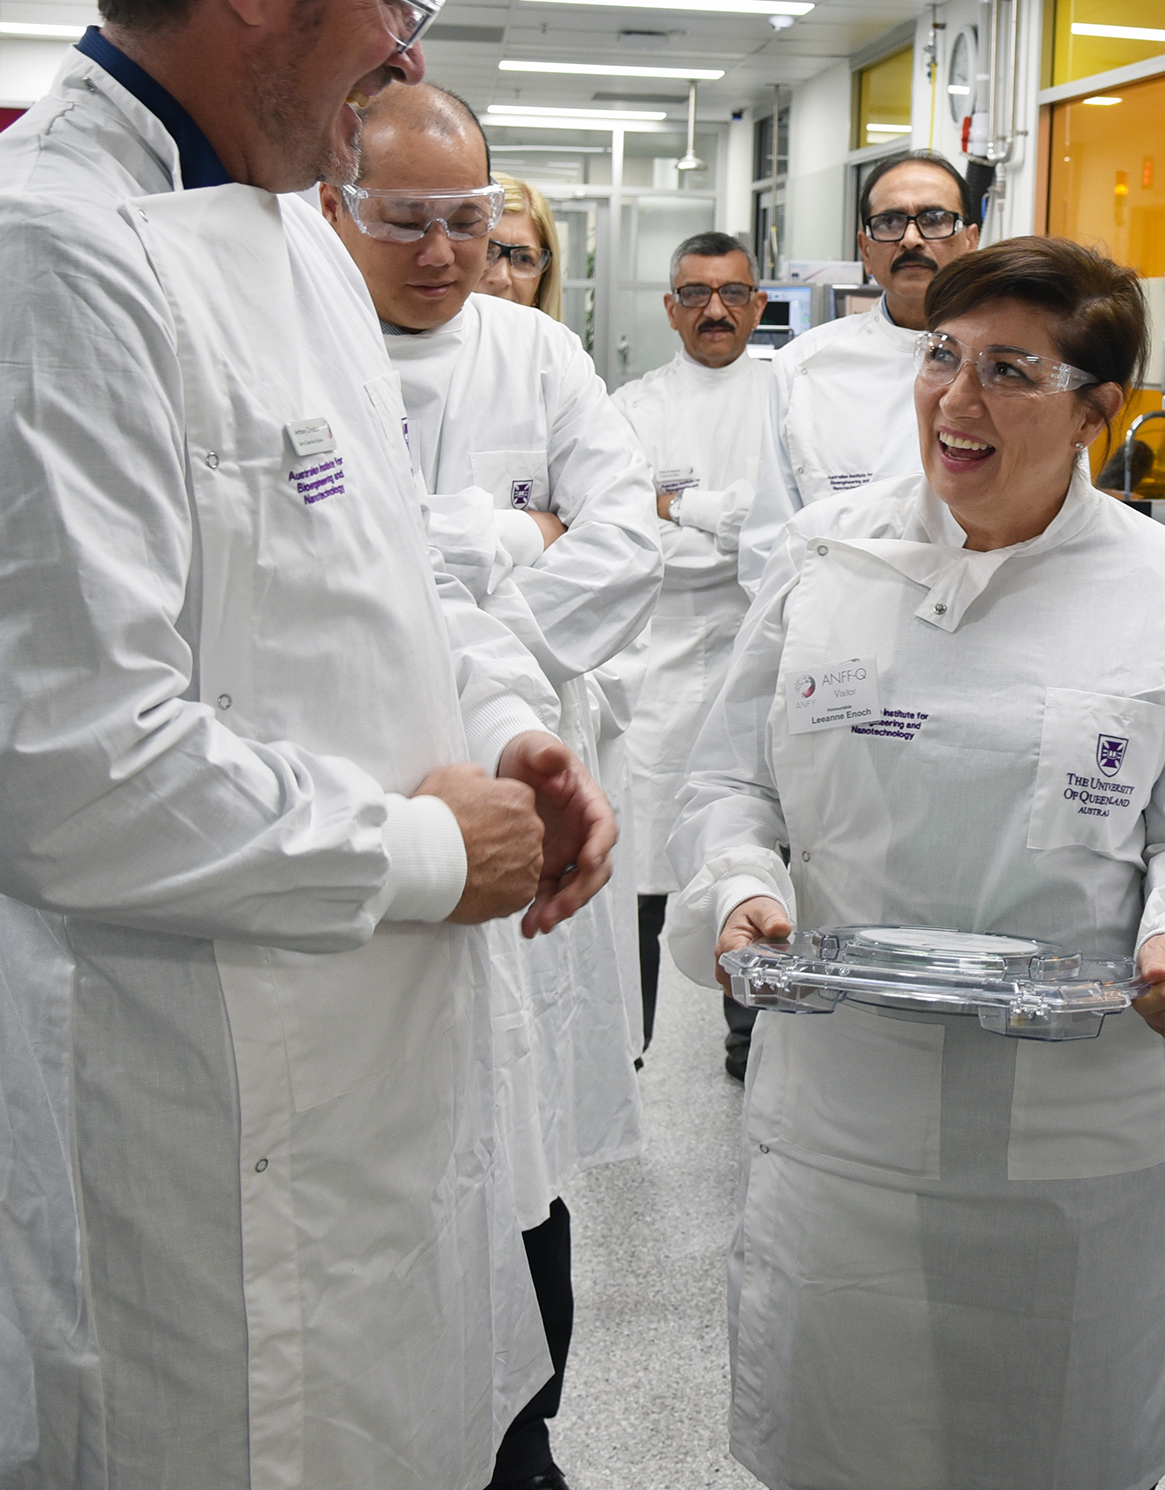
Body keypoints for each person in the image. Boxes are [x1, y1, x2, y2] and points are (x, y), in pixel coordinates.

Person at [0, 0, 612, 1489]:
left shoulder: (277, 235)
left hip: (351, 1090)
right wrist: (435, 854)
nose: (410, 50)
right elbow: (64, 768)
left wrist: (506, 730)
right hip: (189, 1130)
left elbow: (394, 569)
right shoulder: (39, 259)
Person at [667, 235, 1165, 1490]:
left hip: (1068, 1127)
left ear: (1097, 410)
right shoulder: (826, 562)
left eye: (1009, 369)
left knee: (1055, 1437)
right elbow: (730, 782)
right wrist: (742, 890)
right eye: (941, 356)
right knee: (849, 1433)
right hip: (850, 1110)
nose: (955, 399)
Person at [319, 83, 659, 1490]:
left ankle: (528, 1428)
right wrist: (499, 537)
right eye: (408, 220)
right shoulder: (301, 347)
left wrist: (459, 618)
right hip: (371, 816)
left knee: (522, 1154)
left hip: (517, 789)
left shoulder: (538, 354)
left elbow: (630, 536)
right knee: (382, 1155)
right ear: (336, 207)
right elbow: (360, 566)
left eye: (469, 221)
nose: (445, 252)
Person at [606, 229, 775, 1066]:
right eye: (697, 295)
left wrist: (683, 508)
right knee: (642, 867)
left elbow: (788, 533)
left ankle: (750, 1040)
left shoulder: (789, 397)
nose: (716, 310)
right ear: (671, 310)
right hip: (659, 667)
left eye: (734, 294)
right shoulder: (632, 410)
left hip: (766, 657)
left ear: (759, 305)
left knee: (756, 856)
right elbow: (627, 537)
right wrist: (732, 525)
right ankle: (625, 1047)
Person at [733, 148, 978, 592]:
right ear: (865, 248)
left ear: (971, 239)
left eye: (935, 219)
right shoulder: (806, 365)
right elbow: (770, 541)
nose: (910, 239)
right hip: (838, 636)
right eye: (888, 223)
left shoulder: (1019, 364)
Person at [480, 172, 566, 316]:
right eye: (486, 252)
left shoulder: (559, 339)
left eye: (524, 259)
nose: (502, 278)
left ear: (541, 286)